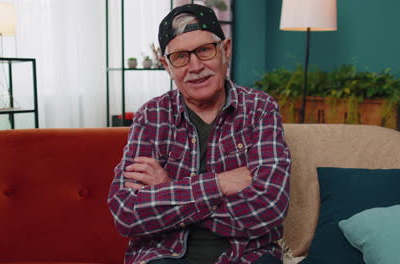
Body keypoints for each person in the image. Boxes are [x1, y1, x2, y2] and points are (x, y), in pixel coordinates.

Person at [108, 4, 291, 264]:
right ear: (166, 66)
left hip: (247, 256)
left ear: (225, 51)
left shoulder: (260, 109)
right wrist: (220, 184)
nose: (195, 66)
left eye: (204, 50)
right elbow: (127, 213)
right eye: (181, 56)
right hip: (162, 255)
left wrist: (168, 190)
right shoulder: (151, 115)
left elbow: (269, 207)